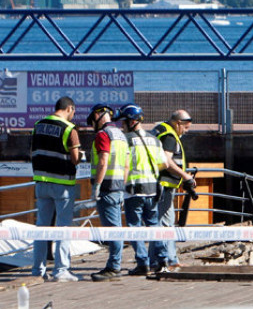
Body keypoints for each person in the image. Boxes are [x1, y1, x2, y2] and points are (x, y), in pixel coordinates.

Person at [31, 96, 82, 282]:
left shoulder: (38, 125)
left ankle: (37, 270)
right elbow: (75, 158)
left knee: (41, 228)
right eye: (73, 112)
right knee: (63, 228)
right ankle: (61, 270)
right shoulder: (69, 129)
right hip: (63, 185)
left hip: (41, 182)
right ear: (69, 108)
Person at [118, 104, 168, 276]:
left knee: (135, 227)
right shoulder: (154, 139)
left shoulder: (126, 140)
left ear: (132, 122)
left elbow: (123, 165)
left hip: (133, 190)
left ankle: (142, 263)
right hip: (152, 189)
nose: (121, 126)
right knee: (154, 225)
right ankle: (162, 260)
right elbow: (165, 164)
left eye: (123, 122)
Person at [87, 104, 131, 282]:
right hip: (118, 187)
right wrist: (123, 185)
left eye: (92, 122)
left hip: (106, 188)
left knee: (113, 230)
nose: (92, 126)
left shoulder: (103, 135)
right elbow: (127, 165)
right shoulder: (121, 135)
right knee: (116, 227)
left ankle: (114, 267)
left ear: (98, 116)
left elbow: (103, 161)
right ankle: (115, 264)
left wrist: (96, 186)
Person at [152, 110, 196, 272]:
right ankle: (165, 260)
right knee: (165, 222)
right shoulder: (169, 137)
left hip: (160, 184)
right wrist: (185, 176)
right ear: (178, 123)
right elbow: (166, 160)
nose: (186, 131)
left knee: (164, 221)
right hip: (164, 184)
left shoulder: (160, 130)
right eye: (186, 127)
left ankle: (167, 259)